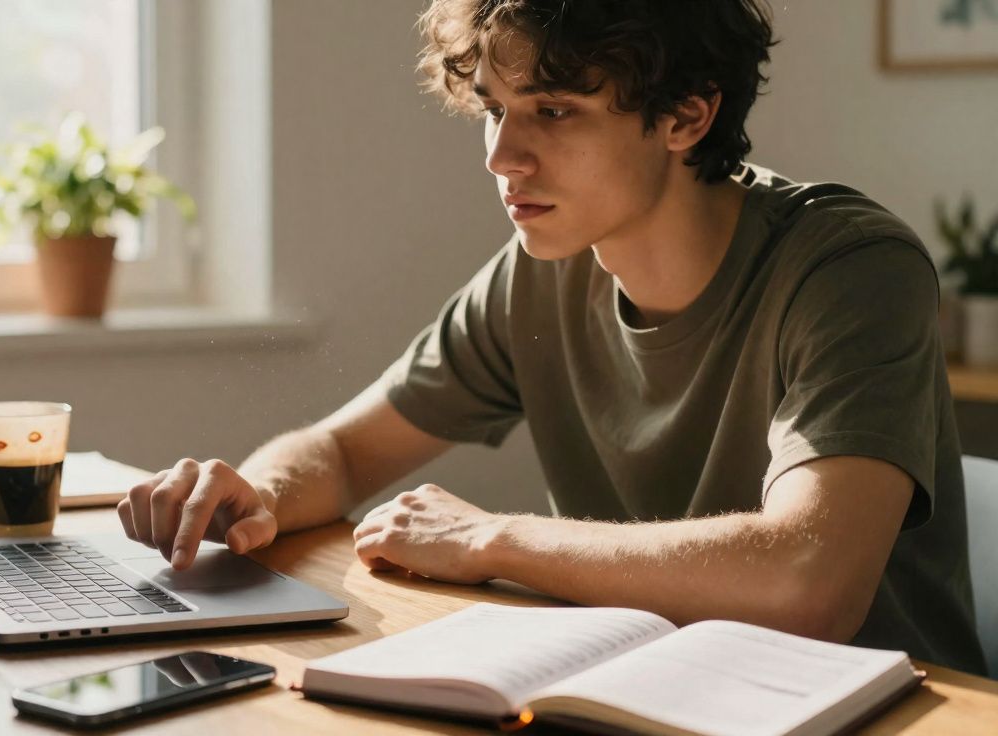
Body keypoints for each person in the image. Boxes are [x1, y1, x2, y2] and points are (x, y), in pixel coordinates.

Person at [116, 0, 987, 675]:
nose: (502, 155)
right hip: (655, 691)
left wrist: (495, 540)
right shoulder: (544, 267)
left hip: (878, 710)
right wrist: (254, 492)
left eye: (555, 111)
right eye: (494, 109)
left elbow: (811, 582)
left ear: (687, 116)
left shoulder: (850, 268)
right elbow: (343, 454)